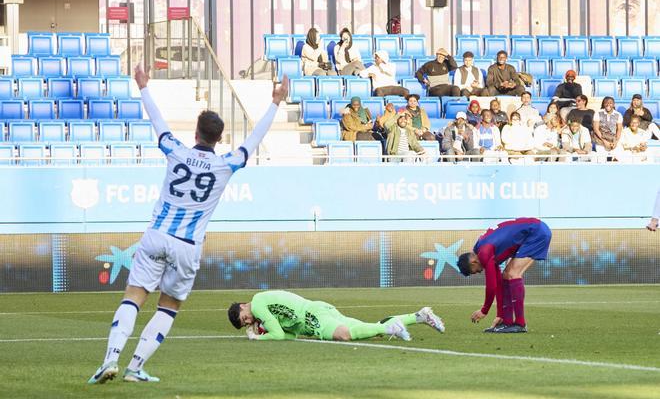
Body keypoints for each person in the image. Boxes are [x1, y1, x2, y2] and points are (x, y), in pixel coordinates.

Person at [88, 68, 287, 384]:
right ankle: (135, 368)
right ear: (219, 139)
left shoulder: (176, 151)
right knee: (168, 308)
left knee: (133, 297)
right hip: (188, 245)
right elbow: (254, 140)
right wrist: (276, 103)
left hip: (157, 236)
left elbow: (158, 124)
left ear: (195, 133)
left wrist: (143, 87)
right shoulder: (226, 164)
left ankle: (109, 360)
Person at [227, 290, 445, 341]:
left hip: (312, 317)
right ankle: (418, 316)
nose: (248, 320)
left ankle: (390, 328)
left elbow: (278, 335)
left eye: (244, 317)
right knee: (367, 328)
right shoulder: (263, 305)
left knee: (345, 335)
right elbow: (290, 336)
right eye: (244, 322)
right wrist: (265, 330)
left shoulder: (257, 305)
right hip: (318, 309)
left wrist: (257, 337)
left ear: (244, 306)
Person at [456, 218, 552, 333]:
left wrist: (484, 310)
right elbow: (498, 284)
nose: (479, 272)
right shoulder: (480, 249)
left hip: (536, 232)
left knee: (513, 274)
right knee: (506, 275)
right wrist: (500, 315)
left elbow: (491, 287)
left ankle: (520, 324)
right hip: (534, 230)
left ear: (473, 262)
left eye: (475, 271)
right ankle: (507, 322)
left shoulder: (484, 253)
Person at [592, 96, 624, 162]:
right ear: (603, 104)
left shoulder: (618, 114)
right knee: (601, 160)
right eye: (606, 103)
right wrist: (604, 141)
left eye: (610, 103)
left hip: (613, 139)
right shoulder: (598, 113)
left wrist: (616, 142)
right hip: (600, 139)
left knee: (618, 159)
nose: (608, 104)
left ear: (614, 104)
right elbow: (596, 129)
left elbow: (619, 129)